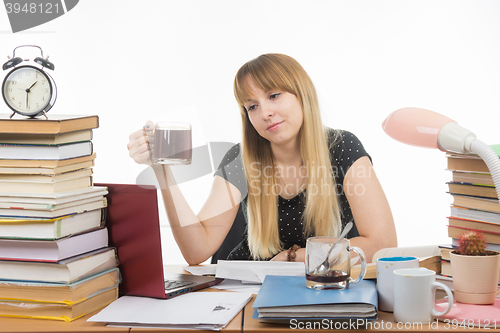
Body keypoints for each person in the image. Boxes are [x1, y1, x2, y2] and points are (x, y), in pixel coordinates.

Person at [127, 53, 397, 264]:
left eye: (274, 95)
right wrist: (161, 170)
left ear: (302, 95)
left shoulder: (342, 148)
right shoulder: (241, 160)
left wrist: (298, 257)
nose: (264, 112)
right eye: (252, 106)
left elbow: (383, 245)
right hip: (249, 294)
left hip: (324, 286)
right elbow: (196, 250)